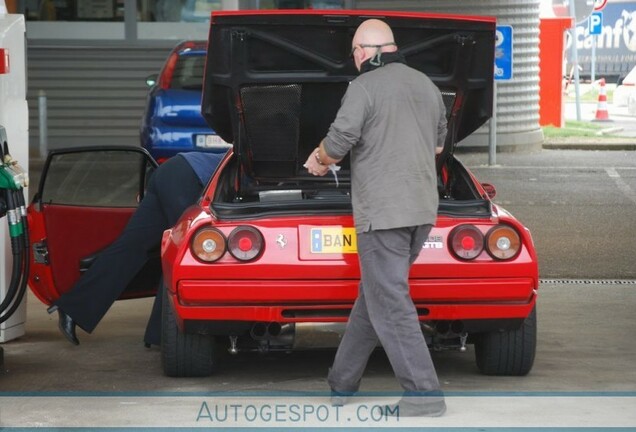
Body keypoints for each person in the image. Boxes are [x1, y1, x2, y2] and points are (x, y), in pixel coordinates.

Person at [303, 19, 448, 417]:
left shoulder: (363, 87)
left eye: (353, 53)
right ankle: (342, 382)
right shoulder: (428, 86)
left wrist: (319, 159)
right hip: (421, 210)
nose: (353, 61)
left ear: (365, 52)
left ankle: (424, 395)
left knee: (391, 301)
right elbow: (438, 145)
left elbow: (337, 142)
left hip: (383, 214)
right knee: (375, 297)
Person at [47, 151, 226, 347]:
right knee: (183, 254)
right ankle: (161, 335)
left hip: (170, 171)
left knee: (131, 247)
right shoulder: (254, 165)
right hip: (186, 178)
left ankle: (72, 309)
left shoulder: (249, 151)